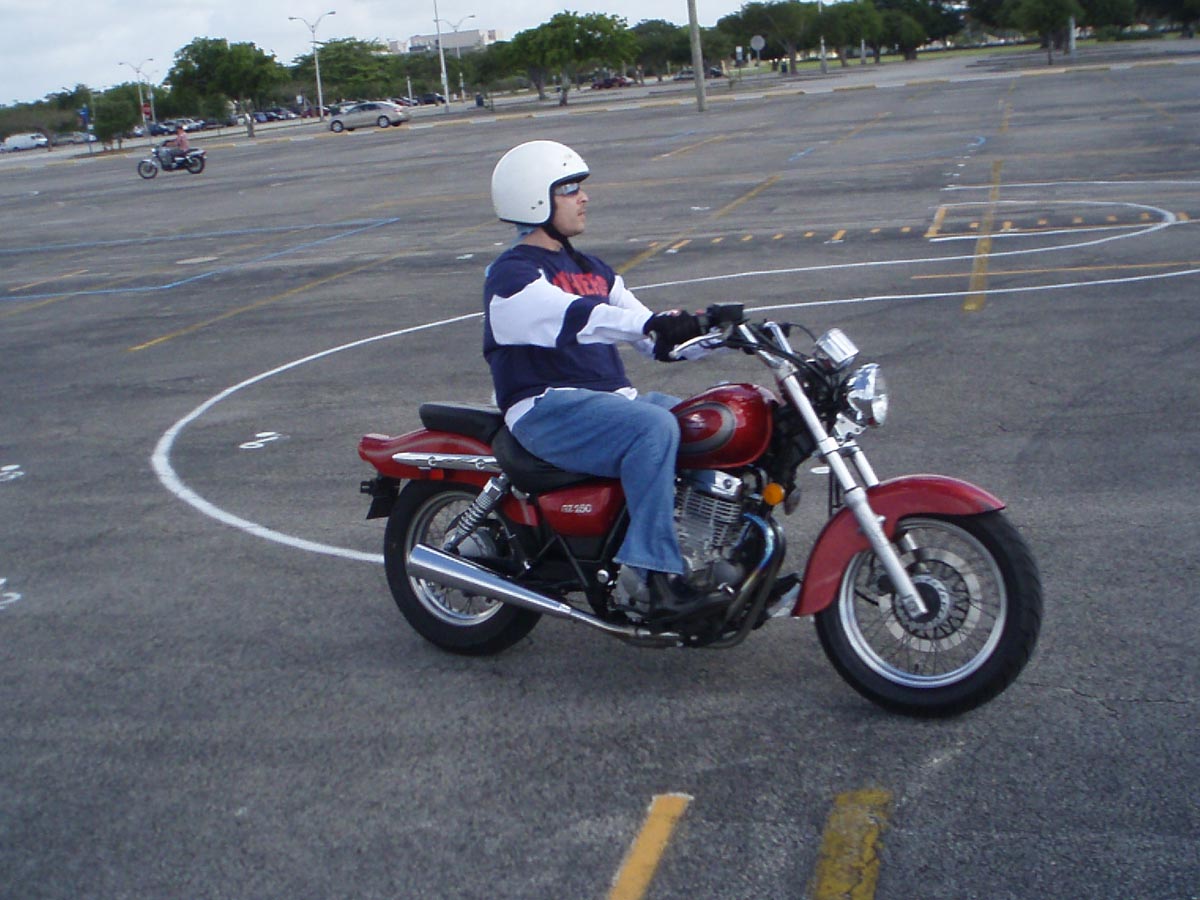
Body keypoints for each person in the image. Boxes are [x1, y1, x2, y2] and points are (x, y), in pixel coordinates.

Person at [483, 139, 712, 620]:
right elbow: (574, 316)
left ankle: (710, 555)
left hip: (613, 402)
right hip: (547, 407)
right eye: (569, 189)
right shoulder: (512, 275)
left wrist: (716, 332)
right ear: (533, 198)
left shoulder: (594, 270)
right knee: (654, 427)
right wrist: (648, 323)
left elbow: (652, 338)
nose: (584, 197)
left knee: (710, 421)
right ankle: (650, 576)